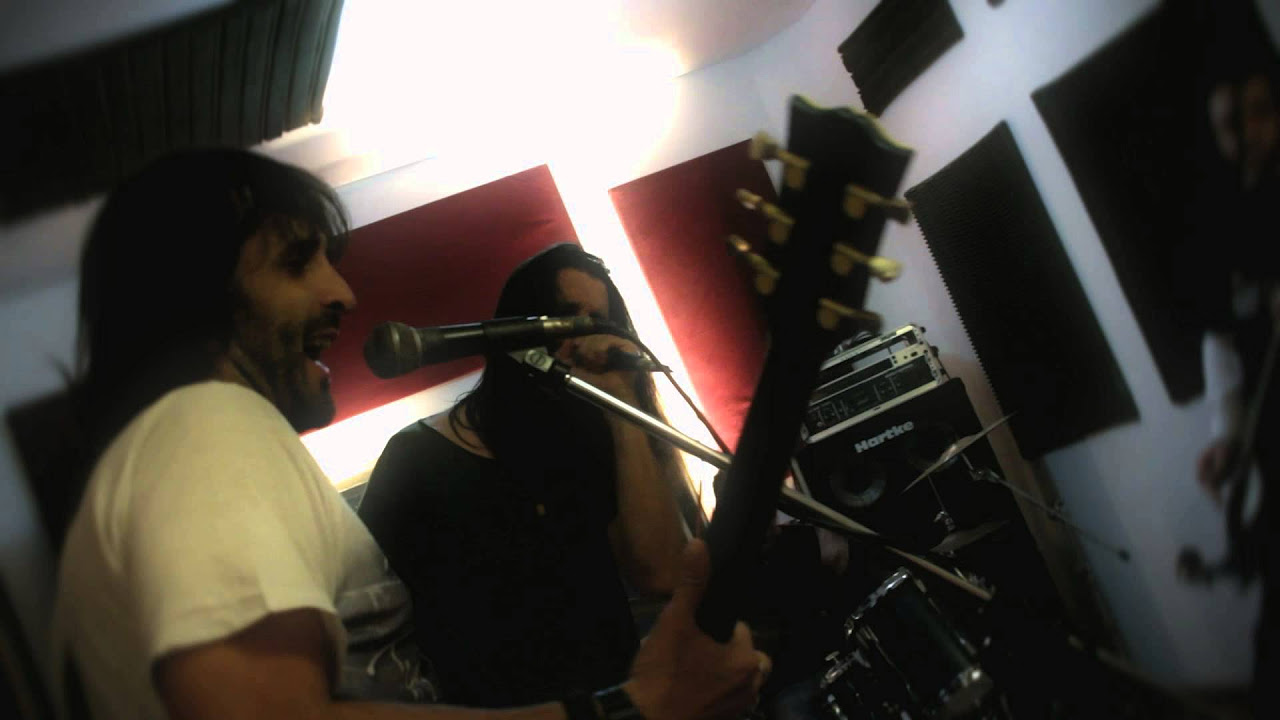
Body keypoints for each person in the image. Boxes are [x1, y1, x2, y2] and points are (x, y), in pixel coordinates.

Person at [52, 149, 768, 720]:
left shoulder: (180, 446)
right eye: (298, 262)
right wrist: (635, 709)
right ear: (193, 293)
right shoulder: (203, 425)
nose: (343, 293)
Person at [358, 244, 692, 708]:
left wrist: (623, 403)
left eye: (597, 321)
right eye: (566, 317)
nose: (584, 339)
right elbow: (368, 626)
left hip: (612, 704)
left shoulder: (596, 440)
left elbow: (662, 572)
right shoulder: (418, 456)